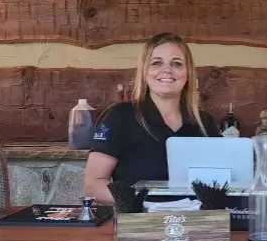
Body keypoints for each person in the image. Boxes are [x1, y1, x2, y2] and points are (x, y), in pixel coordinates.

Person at [84, 33, 219, 204]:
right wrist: (141, 203)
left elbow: (227, 181)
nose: (167, 70)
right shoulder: (120, 117)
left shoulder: (204, 122)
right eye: (156, 63)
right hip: (140, 224)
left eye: (177, 63)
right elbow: (93, 184)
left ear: (188, 73)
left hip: (194, 224)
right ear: (144, 72)